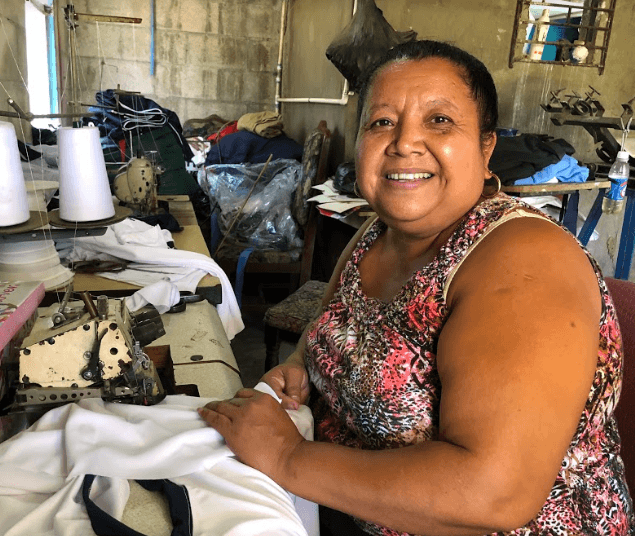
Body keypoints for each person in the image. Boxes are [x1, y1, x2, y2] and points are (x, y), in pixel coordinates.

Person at [198, 40, 634, 535]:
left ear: (486, 147)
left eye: (440, 121)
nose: (404, 142)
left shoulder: (524, 259)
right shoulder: (376, 233)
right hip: (350, 510)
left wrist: (287, 456)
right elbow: (329, 325)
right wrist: (301, 365)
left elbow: (493, 493)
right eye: (382, 121)